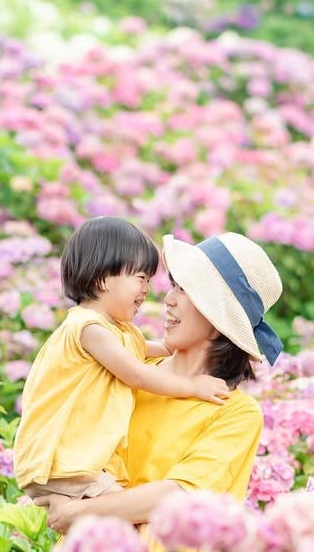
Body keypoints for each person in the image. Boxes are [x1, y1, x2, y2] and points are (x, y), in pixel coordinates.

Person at [43, 231, 284, 552]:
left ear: (218, 319)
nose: (168, 300)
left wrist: (78, 512)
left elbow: (177, 495)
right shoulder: (128, 377)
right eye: (173, 286)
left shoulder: (236, 413)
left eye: (185, 290)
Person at [13, 216, 230, 504]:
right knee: (123, 517)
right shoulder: (89, 328)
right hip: (66, 462)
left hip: (78, 463)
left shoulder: (117, 331)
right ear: (103, 279)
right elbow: (137, 374)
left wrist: (192, 340)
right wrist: (193, 386)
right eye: (140, 278)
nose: (147, 290)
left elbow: (153, 347)